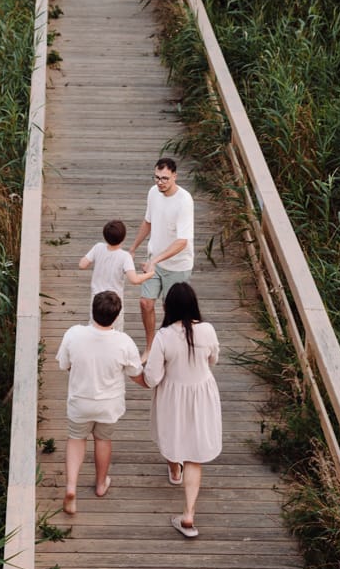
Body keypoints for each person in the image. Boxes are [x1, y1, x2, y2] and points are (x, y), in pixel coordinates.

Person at [139, 281, 222, 538]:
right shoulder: (207, 330)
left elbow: (152, 377)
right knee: (194, 455)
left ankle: (175, 471)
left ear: (168, 308)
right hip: (201, 393)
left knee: (172, 433)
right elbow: (213, 359)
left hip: (173, 394)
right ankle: (188, 514)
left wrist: (134, 375)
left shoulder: (163, 337)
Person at [55, 290, 143, 514]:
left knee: (76, 439)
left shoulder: (74, 334)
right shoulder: (124, 342)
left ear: (92, 310)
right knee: (103, 440)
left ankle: (71, 487)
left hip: (80, 401)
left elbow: (64, 365)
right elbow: (135, 372)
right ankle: (101, 484)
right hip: (109, 405)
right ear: (117, 316)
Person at [130, 156, 194, 356]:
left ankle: (170, 350)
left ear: (175, 176)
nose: (160, 182)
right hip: (154, 261)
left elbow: (182, 241)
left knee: (171, 311)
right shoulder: (153, 193)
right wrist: (133, 248)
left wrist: (155, 260)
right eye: (157, 177)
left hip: (177, 265)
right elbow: (148, 221)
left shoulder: (184, 201)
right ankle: (150, 347)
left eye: (165, 178)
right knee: (145, 303)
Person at [79, 219, 155, 329]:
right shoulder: (125, 257)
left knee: (95, 327)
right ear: (123, 238)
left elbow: (82, 264)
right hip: (114, 302)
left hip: (97, 300)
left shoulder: (98, 247)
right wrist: (151, 273)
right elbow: (134, 279)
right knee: (115, 331)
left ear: (105, 236)